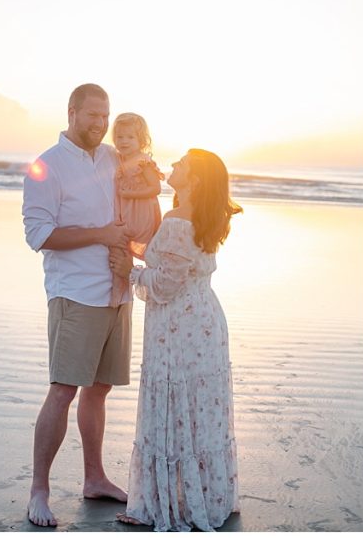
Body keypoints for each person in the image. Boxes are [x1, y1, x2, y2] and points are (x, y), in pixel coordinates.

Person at [21, 83, 134, 527]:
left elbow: (137, 197)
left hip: (117, 291)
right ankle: (39, 491)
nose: (100, 123)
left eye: (105, 116)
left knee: (100, 389)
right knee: (64, 389)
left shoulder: (112, 158)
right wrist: (101, 234)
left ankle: (95, 478)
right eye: (92, 115)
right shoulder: (46, 166)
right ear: (72, 112)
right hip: (75, 294)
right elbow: (39, 236)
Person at [114, 148, 243, 531]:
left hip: (177, 329)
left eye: (182, 164)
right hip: (205, 323)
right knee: (200, 411)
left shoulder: (176, 220)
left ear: (196, 178)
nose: (173, 166)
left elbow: (165, 284)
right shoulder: (205, 218)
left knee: (174, 410)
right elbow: (174, 262)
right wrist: (136, 251)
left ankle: (169, 505)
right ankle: (206, 494)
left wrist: (129, 272)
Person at [109, 112, 164, 308]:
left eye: (130, 137)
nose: (124, 141)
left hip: (141, 212)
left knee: (139, 247)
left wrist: (131, 194)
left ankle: (151, 290)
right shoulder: (118, 159)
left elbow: (155, 188)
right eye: (120, 137)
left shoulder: (143, 161)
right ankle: (120, 294)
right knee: (120, 249)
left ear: (141, 140)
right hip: (126, 212)